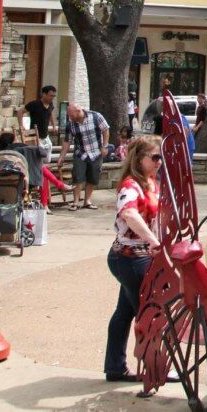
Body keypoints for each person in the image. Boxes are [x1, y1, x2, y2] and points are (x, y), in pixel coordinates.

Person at [104, 135, 163, 383]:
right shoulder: (131, 185)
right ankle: (153, 369)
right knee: (148, 314)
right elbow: (129, 213)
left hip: (135, 257)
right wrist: (152, 239)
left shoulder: (151, 182)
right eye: (155, 157)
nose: (160, 162)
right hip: (130, 258)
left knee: (124, 312)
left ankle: (115, 367)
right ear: (139, 159)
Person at [63, 104, 111, 210]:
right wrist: (62, 156)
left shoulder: (96, 116)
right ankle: (75, 202)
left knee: (93, 177)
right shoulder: (70, 124)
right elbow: (67, 141)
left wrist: (105, 146)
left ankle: (87, 201)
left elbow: (106, 130)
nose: (70, 118)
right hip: (80, 153)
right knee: (78, 177)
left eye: (72, 115)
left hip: (96, 152)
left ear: (78, 111)